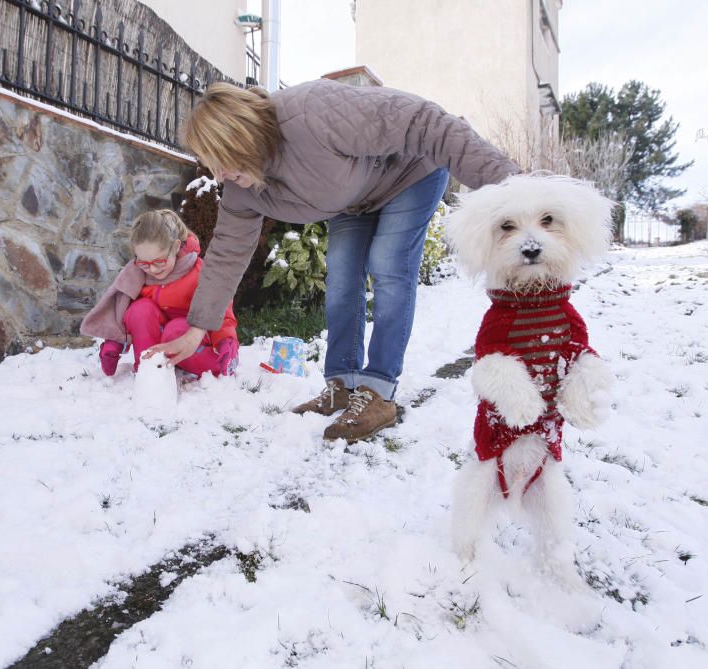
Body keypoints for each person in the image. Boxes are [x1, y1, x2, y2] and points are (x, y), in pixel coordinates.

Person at [146, 79, 522, 443]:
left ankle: (378, 392)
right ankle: (343, 385)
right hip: (355, 199)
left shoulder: (313, 113)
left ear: (240, 138)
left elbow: (424, 122)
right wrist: (197, 329)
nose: (218, 175)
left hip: (410, 176)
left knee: (389, 265)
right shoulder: (243, 188)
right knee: (341, 280)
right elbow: (227, 251)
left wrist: (514, 189)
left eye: (221, 161)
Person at [79, 209, 240, 378]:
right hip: (157, 342)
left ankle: (216, 365)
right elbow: (122, 311)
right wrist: (114, 344)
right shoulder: (136, 274)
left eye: (159, 261)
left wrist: (226, 342)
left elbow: (218, 311)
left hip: (193, 341)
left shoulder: (198, 272)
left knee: (175, 329)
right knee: (139, 309)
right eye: (145, 263)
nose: (153, 270)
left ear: (176, 247)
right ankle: (147, 369)